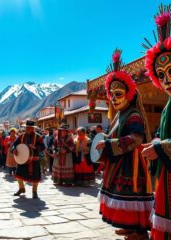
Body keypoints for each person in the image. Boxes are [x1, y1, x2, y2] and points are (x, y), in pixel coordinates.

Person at [96, 50, 153, 240]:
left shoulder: (134, 114)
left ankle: (139, 230)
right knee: (122, 195)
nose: (113, 98)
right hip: (120, 161)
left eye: (118, 94)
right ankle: (129, 226)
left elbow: (136, 138)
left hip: (132, 164)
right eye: (111, 94)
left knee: (133, 196)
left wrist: (108, 143)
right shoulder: (121, 115)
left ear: (129, 94)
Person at [141, 6, 171, 239]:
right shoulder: (168, 106)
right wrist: (157, 141)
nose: (167, 79)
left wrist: (160, 147)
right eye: (161, 74)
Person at [12, 120, 45, 199]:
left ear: (33, 128)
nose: (29, 129)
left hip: (34, 159)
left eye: (30, 128)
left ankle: (34, 191)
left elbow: (43, 147)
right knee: (18, 174)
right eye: (27, 128)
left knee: (35, 176)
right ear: (25, 128)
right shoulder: (21, 136)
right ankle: (21, 188)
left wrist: (35, 147)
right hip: (23, 159)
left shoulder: (38, 137)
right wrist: (14, 149)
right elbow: (14, 145)